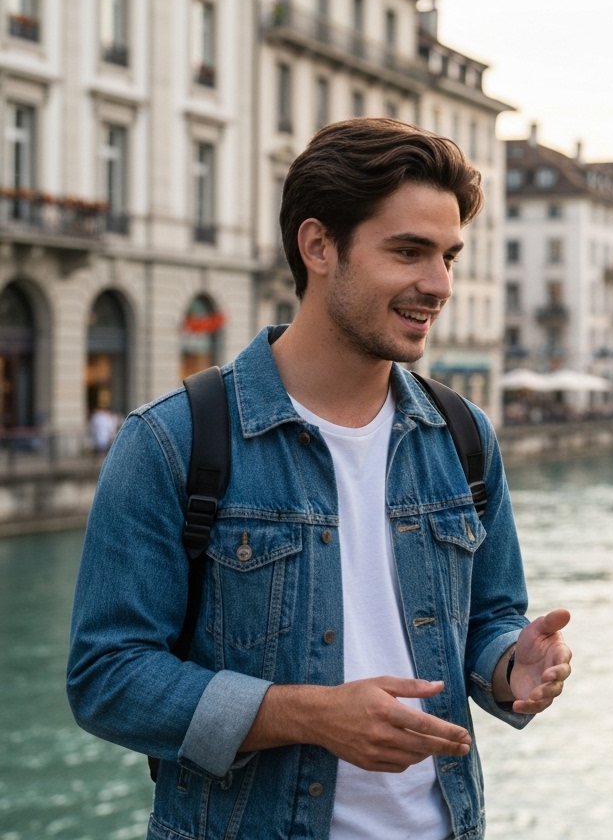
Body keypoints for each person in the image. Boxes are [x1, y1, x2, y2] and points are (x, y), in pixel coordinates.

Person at [67, 118, 572, 840]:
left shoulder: (463, 437)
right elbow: (106, 678)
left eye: (449, 257)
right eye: (409, 252)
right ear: (318, 246)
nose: (438, 285)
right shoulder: (171, 441)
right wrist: (307, 714)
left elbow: (489, 618)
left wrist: (507, 667)